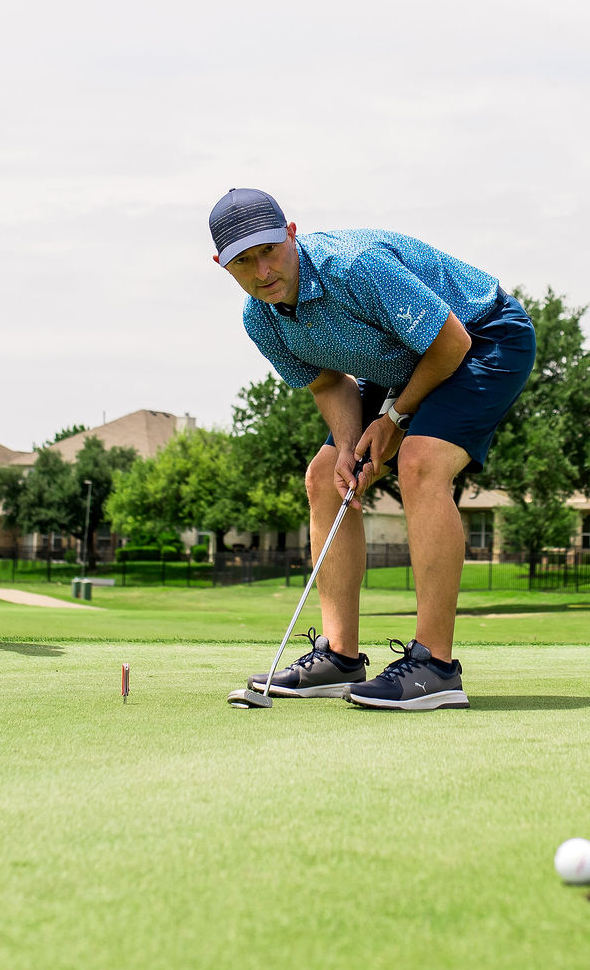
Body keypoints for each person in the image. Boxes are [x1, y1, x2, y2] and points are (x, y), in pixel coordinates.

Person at [210, 188, 535, 711]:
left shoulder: (353, 266)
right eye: (243, 262)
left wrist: (395, 419)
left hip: (484, 336)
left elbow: (450, 343)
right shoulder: (261, 318)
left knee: (420, 462)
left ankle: (436, 668)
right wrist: (346, 446)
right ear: (222, 266)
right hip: (405, 363)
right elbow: (328, 383)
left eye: (269, 250)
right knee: (324, 478)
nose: (262, 270)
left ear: (291, 233)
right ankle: (339, 658)